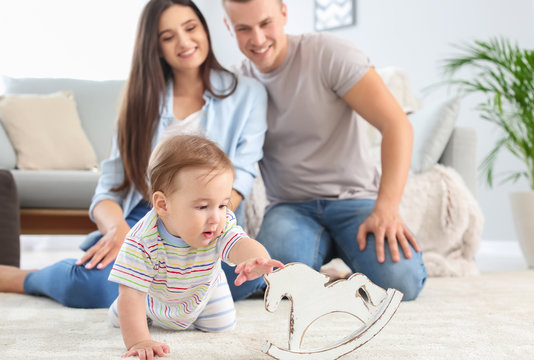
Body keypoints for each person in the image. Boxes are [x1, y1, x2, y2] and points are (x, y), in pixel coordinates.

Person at [0, 0, 267, 308]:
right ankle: (25, 278)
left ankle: (149, 287)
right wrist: (119, 231)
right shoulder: (139, 101)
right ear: (156, 47)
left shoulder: (247, 94)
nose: (184, 41)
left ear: (205, 30)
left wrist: (199, 223)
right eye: (168, 37)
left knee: (250, 276)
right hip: (149, 217)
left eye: (191, 28)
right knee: (89, 289)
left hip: (209, 217)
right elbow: (107, 190)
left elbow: (241, 179)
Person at [221, 0, 427, 301]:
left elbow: (396, 125)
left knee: (402, 284)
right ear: (229, 27)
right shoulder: (235, 84)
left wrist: (387, 208)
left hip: (355, 200)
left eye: (266, 23)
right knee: (274, 282)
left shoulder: (329, 53)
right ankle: (329, 263)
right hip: (290, 208)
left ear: (284, 13)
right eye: (243, 28)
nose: (258, 38)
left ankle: (341, 259)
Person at [109, 135, 283, 359]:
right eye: (202, 206)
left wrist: (256, 259)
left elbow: (239, 242)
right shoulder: (142, 240)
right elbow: (132, 293)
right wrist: (139, 340)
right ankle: (125, 312)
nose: (215, 217)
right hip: (155, 299)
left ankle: (197, 313)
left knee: (224, 325)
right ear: (163, 205)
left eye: (222, 205)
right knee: (127, 312)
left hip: (206, 293)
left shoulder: (220, 224)